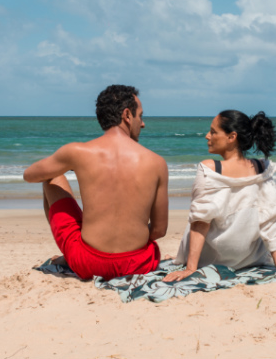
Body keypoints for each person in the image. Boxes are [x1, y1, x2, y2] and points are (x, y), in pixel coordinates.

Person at [24, 85, 168, 280]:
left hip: (89, 262)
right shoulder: (156, 162)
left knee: (52, 176)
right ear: (127, 115)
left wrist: (70, 165)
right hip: (137, 264)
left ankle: (69, 254)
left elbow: (30, 175)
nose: (142, 124)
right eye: (140, 116)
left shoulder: (78, 152)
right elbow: (159, 230)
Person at [163, 110, 276, 282]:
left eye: (213, 132)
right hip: (250, 258)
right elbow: (269, 218)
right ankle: (181, 258)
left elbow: (200, 222)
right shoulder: (262, 167)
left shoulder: (209, 168)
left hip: (214, 260)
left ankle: (183, 259)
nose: (207, 136)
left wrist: (190, 269)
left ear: (232, 137)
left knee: (197, 218)